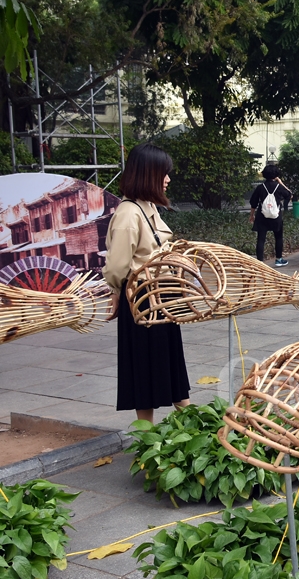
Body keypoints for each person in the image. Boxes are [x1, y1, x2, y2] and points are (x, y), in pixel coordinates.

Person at [102, 143, 191, 424]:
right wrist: (116, 292)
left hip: (160, 297)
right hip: (141, 301)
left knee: (171, 365)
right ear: (148, 174)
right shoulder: (128, 213)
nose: (167, 179)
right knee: (144, 370)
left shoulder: (146, 206)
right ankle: (148, 438)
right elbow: (118, 266)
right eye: (163, 173)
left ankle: (194, 425)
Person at [249, 164, 292, 267]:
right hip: (276, 216)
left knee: (261, 239)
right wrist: (281, 183)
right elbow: (290, 195)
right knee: (278, 237)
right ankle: (278, 260)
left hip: (262, 216)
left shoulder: (260, 187)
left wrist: (252, 215)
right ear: (276, 175)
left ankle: (260, 263)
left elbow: (253, 202)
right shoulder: (279, 187)